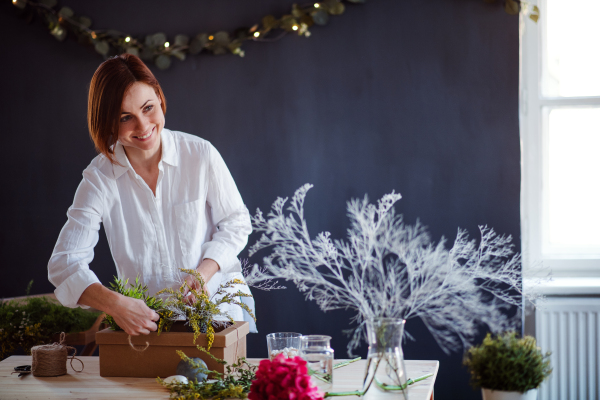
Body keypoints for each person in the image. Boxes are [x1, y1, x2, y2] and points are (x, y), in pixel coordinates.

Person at [48, 54, 254, 336]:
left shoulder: (200, 154)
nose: (143, 126)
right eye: (125, 118)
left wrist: (204, 272)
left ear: (159, 97)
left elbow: (236, 222)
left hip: (216, 317)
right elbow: (63, 265)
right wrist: (116, 305)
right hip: (147, 329)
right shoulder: (99, 178)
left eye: (148, 108)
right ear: (108, 123)